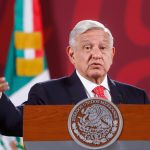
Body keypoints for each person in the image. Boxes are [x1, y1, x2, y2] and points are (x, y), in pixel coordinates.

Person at [0, 20, 149, 137]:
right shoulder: (48, 94)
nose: (96, 55)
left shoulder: (137, 97)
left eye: (103, 48)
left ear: (112, 53)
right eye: (87, 48)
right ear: (72, 54)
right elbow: (15, 123)